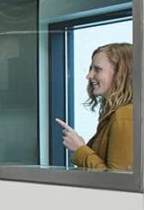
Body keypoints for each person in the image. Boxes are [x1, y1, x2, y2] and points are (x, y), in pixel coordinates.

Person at [56, 43, 134, 171]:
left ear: (121, 73)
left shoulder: (125, 116)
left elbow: (118, 182)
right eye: (90, 69)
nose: (89, 75)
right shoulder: (118, 114)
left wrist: (80, 149)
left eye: (97, 69)